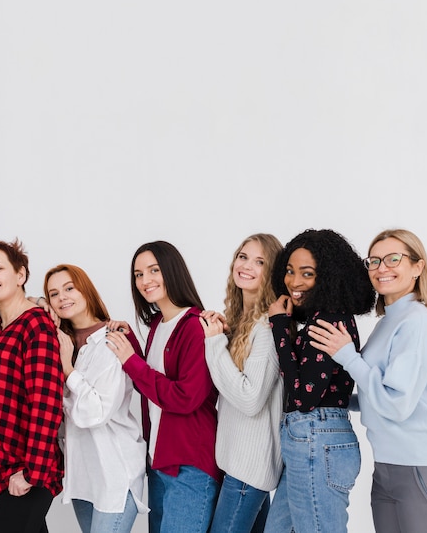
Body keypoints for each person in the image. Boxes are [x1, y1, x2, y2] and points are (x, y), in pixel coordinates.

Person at [308, 228, 427, 532]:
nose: (381, 268)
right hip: (387, 469)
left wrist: (348, 356)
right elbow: (376, 392)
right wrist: (330, 401)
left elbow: (395, 403)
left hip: (424, 469)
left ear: (418, 267)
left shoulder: (417, 323)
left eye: (393, 259)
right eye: (374, 261)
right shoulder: (388, 322)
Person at [264, 228, 375, 533]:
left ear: (328, 277)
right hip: (310, 439)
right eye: (289, 271)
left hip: (317, 438)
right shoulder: (321, 318)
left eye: (307, 273)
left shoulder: (328, 321)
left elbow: (303, 398)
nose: (294, 282)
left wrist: (280, 327)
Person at [106, 240, 221, 533]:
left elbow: (186, 397)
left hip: (190, 466)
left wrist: (131, 360)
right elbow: (154, 381)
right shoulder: (159, 324)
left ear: (171, 271)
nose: (145, 280)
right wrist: (131, 343)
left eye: (153, 270)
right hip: (159, 462)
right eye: (138, 274)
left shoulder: (195, 326)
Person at [39, 263, 148, 533]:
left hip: (114, 474)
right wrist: (39, 302)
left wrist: (68, 370)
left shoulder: (112, 341)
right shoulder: (61, 341)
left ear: (85, 290)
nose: (62, 297)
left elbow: (95, 413)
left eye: (69, 288)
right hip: (82, 477)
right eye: (54, 294)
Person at [0, 240, 63, 533]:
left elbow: (46, 402)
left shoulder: (36, 325)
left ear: (20, 275)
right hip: (0, 471)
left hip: (26, 472)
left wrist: (31, 472)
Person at [200, 233, 284, 533]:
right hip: (238, 465)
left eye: (260, 262)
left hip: (248, 471)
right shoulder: (243, 321)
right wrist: (223, 335)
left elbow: (250, 398)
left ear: (271, 272)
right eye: (243, 256)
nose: (246, 265)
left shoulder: (266, 327)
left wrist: (214, 344)